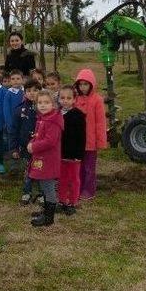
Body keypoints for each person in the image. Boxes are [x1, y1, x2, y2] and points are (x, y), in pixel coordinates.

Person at [27, 90, 64, 227]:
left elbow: (50, 141)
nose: (43, 105)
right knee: (43, 184)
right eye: (40, 102)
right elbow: (38, 136)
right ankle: (46, 211)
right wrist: (32, 142)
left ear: (53, 104)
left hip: (48, 159)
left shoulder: (52, 121)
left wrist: (34, 147)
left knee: (48, 187)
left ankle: (49, 218)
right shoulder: (43, 118)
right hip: (42, 158)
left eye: (46, 102)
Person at [74, 69, 107, 200]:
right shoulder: (75, 99)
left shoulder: (97, 100)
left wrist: (100, 141)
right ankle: (79, 187)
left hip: (90, 142)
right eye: (80, 84)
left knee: (89, 168)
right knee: (78, 166)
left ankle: (89, 190)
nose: (83, 87)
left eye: (86, 84)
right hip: (77, 141)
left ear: (91, 84)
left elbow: (100, 122)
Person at [9, 79, 41, 205]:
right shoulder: (20, 110)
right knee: (28, 171)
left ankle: (41, 193)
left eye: (35, 90)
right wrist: (14, 148)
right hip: (25, 147)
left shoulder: (44, 108)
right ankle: (26, 193)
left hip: (41, 148)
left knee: (40, 169)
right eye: (28, 91)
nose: (32, 93)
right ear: (25, 92)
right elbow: (14, 130)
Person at [57, 85, 86, 215]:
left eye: (68, 98)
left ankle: (73, 202)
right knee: (62, 178)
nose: (65, 100)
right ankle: (62, 200)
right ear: (58, 99)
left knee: (73, 179)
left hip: (73, 154)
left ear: (74, 99)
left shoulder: (79, 115)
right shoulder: (56, 114)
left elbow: (82, 136)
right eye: (62, 98)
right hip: (60, 153)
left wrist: (79, 154)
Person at [3, 69, 25, 151]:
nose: (15, 81)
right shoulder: (8, 93)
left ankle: (22, 150)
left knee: (22, 135)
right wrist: (9, 123)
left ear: (22, 80)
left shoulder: (25, 92)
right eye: (13, 79)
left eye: (18, 78)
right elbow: (6, 110)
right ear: (10, 81)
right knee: (13, 137)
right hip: (12, 120)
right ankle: (13, 151)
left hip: (23, 119)